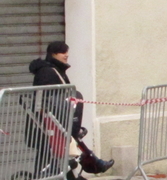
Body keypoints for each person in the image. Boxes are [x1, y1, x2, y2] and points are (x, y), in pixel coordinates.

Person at [29, 41, 115, 173]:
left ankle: (95, 163)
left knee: (69, 140)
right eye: (63, 52)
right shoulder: (48, 72)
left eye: (67, 52)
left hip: (55, 118)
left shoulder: (55, 70)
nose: (66, 55)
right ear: (53, 54)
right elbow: (46, 98)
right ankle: (94, 164)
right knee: (68, 140)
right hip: (50, 120)